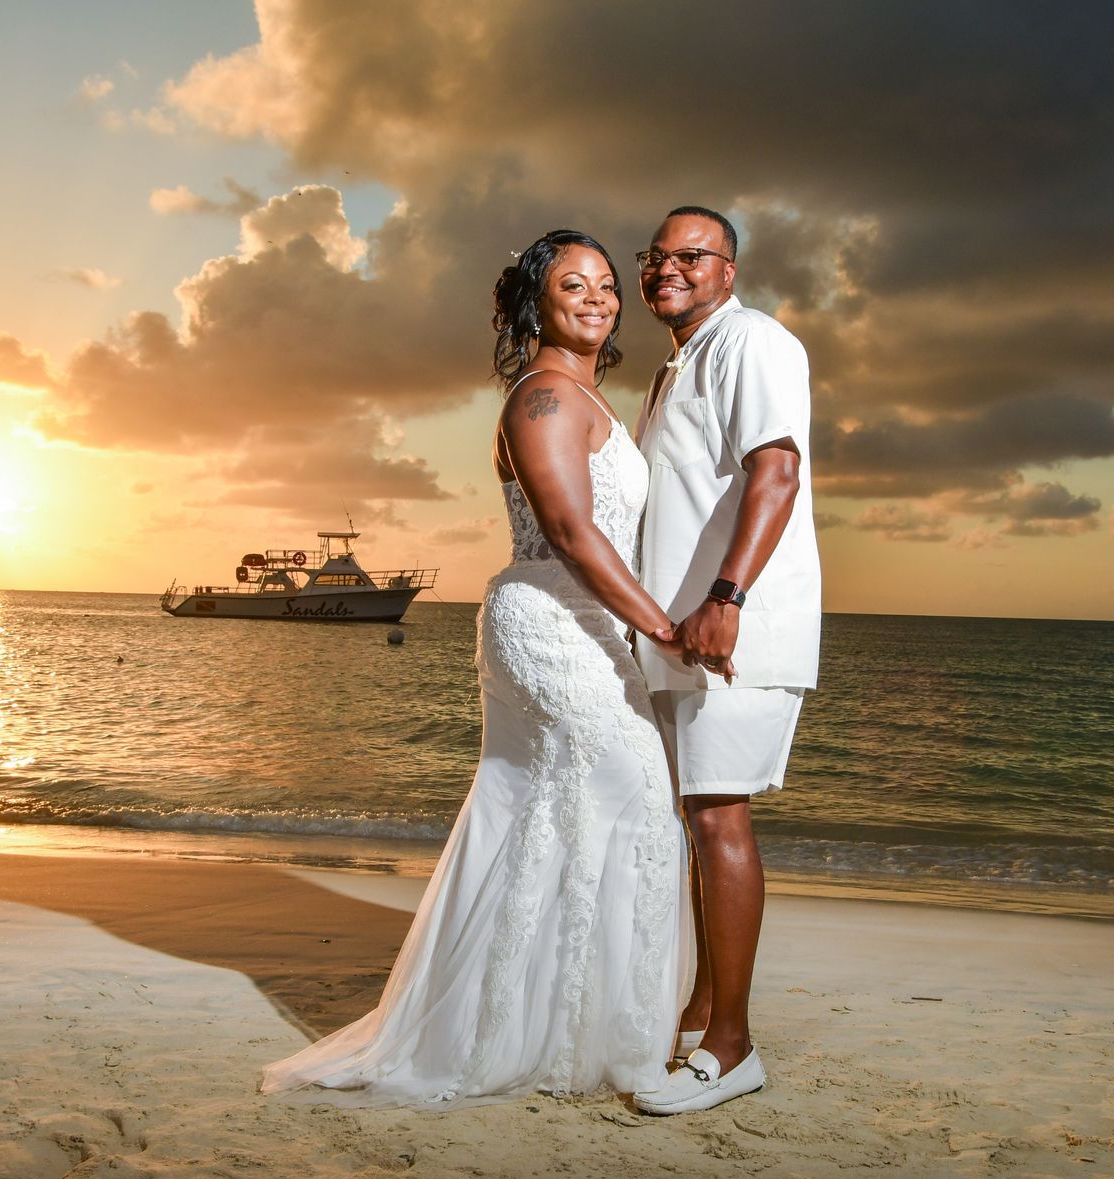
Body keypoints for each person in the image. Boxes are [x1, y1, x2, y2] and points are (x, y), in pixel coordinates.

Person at [259, 230, 692, 1106]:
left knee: (555, 814)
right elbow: (571, 533)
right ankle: (525, 1034)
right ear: (537, 301)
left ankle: (554, 1027)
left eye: (607, 284)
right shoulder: (541, 400)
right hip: (548, 622)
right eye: (574, 283)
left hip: (585, 622)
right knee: (634, 793)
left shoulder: (588, 397)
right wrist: (669, 631)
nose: (599, 297)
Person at [630, 206, 821, 1116]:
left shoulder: (753, 341)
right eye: (656, 258)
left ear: (729, 270)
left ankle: (733, 1047)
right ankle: (703, 1009)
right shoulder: (679, 363)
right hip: (680, 630)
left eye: (690, 256)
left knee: (718, 820)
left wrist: (727, 597)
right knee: (697, 821)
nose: (669, 269)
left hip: (731, 630)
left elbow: (775, 471)